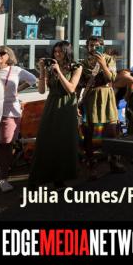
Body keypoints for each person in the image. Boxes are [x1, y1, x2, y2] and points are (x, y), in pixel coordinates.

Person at [28, 41, 82, 189]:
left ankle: (60, 179)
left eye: (60, 51)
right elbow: (41, 91)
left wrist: (58, 72)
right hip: (51, 104)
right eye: (55, 51)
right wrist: (42, 70)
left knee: (63, 142)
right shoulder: (50, 67)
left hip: (66, 106)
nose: (57, 54)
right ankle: (38, 178)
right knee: (45, 140)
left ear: (67, 52)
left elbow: (71, 89)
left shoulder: (76, 67)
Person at [79, 36, 122, 179]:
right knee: (89, 133)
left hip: (106, 96)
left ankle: (114, 162)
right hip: (91, 98)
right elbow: (80, 84)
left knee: (111, 131)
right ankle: (92, 166)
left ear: (102, 46)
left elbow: (111, 78)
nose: (93, 48)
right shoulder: (83, 63)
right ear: (87, 47)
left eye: (97, 45)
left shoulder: (108, 59)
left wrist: (103, 64)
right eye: (91, 45)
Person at [0, 46, 37, 193]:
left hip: (10, 113)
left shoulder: (16, 70)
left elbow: (33, 80)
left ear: (9, 56)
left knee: (6, 145)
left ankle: (3, 178)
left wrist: (17, 90)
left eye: (2, 53)